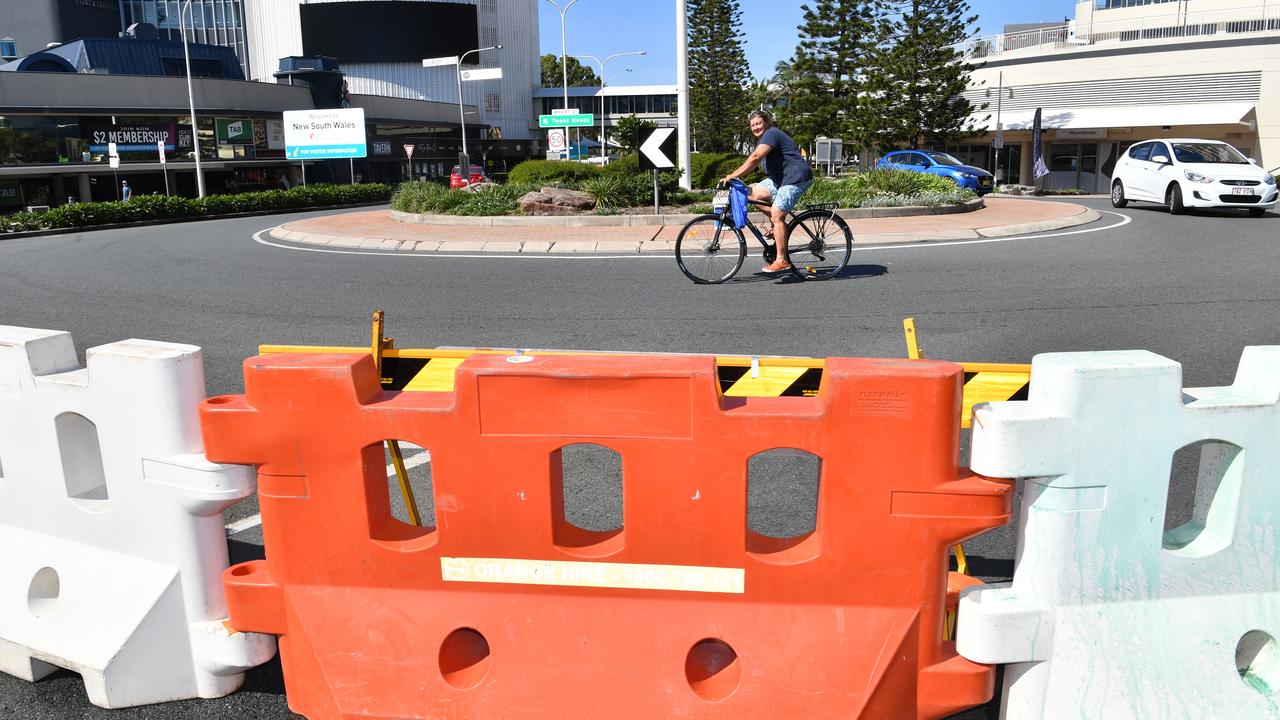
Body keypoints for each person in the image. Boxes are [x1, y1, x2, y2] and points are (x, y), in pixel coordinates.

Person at [722, 109, 813, 273]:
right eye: (752, 125)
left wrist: (732, 176)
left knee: (777, 215)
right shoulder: (764, 139)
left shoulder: (771, 133)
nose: (755, 127)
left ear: (767, 123)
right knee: (754, 194)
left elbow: (755, 158)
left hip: (796, 177)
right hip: (780, 178)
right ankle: (778, 226)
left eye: (758, 123)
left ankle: (782, 260)